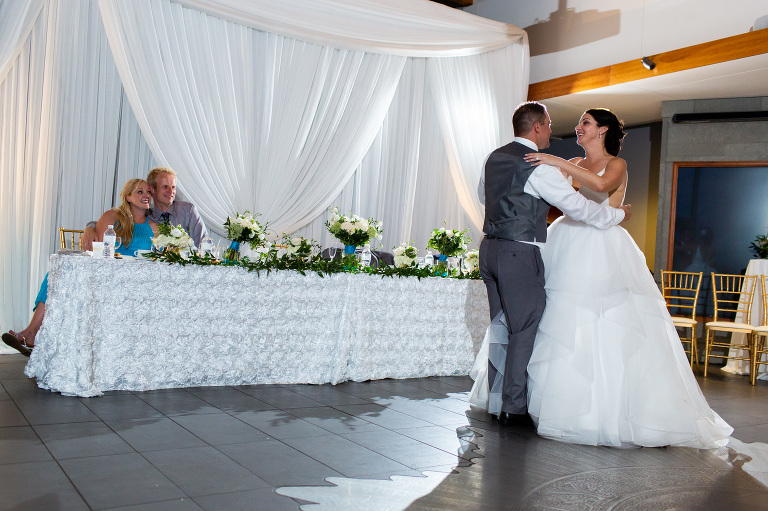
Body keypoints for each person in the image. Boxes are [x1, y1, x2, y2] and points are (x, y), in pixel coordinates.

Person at [522, 108, 732, 448]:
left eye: (585, 123)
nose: (578, 128)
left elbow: (602, 185)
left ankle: (611, 412)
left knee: (607, 320)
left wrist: (557, 162)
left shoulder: (616, 163)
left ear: (602, 130)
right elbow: (564, 201)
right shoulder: (575, 159)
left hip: (600, 246)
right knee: (562, 318)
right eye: (579, 123)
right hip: (566, 240)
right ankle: (563, 404)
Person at [475, 101, 630, 427]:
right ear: (537, 128)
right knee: (525, 327)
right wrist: (620, 214)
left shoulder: (495, 157)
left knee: (501, 326)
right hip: (519, 252)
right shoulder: (540, 166)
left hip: (489, 249)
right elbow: (578, 207)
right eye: (549, 124)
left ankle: (497, 399)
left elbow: (483, 195)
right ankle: (513, 408)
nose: (555, 129)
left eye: (584, 122)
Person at [2, 179, 157, 356]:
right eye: (140, 191)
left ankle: (33, 335)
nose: (146, 195)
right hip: (106, 273)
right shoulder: (112, 217)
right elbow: (96, 249)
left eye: (148, 192)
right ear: (128, 196)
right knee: (57, 273)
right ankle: (31, 331)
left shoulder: (154, 227)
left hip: (133, 281)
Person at [81, 167, 208, 250]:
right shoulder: (148, 215)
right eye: (165, 187)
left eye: (173, 187)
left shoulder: (188, 210)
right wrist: (89, 228)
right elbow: (115, 220)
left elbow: (205, 244)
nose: (171, 191)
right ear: (153, 189)